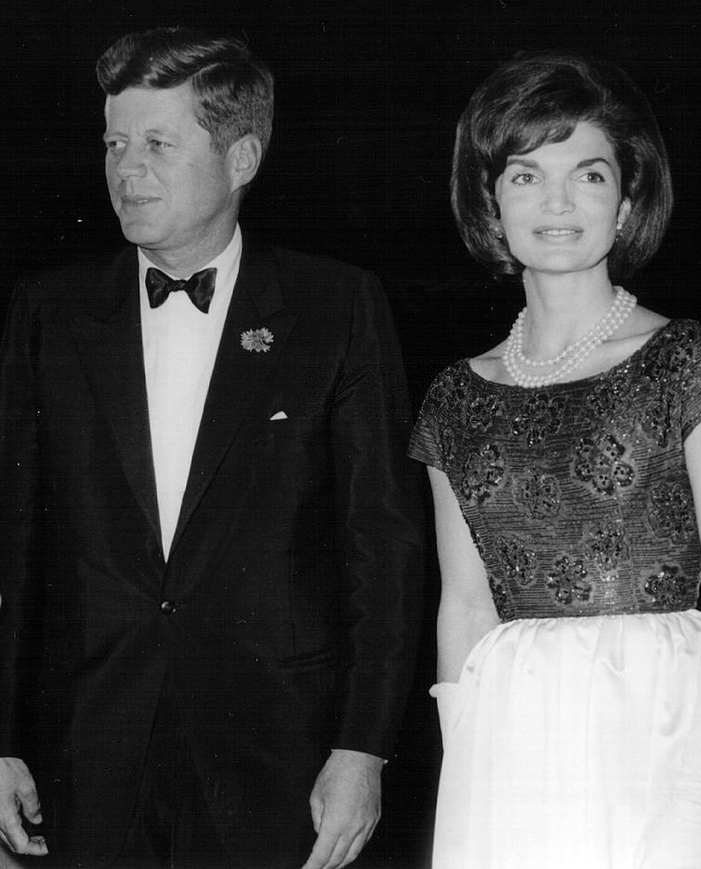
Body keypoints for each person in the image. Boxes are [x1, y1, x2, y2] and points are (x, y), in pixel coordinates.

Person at [0, 27, 422, 869]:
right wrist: (2, 738)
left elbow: (384, 544)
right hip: (88, 747)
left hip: (278, 749)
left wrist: (364, 746)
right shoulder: (48, 312)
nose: (126, 169)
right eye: (116, 142)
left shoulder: (336, 307)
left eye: (158, 143)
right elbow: (12, 542)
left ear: (242, 159)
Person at [409, 52, 701, 868]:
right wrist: (468, 775)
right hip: (511, 754)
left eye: (590, 174)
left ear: (628, 200)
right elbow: (464, 610)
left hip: (672, 737)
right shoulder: (457, 396)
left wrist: (697, 804)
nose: (559, 203)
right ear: (490, 201)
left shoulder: (693, 361)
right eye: (527, 176)